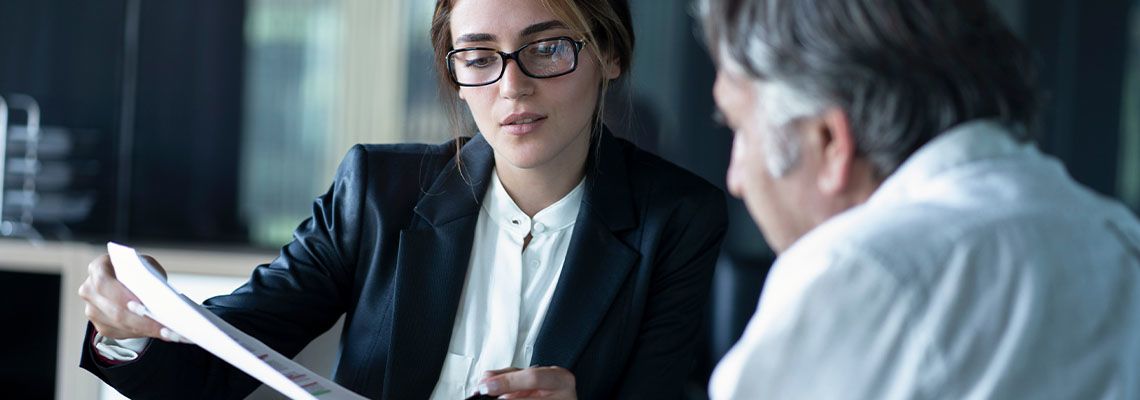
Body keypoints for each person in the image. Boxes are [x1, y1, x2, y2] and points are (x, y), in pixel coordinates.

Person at [78, 0, 728, 398]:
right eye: (478, 56)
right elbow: (214, 368)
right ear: (455, 72)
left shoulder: (676, 218)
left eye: (548, 48)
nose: (513, 88)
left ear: (608, 52)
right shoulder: (377, 194)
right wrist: (124, 324)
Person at [697, 0, 1140, 398]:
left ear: (830, 141)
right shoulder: (1119, 240)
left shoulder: (858, 270)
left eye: (739, 128)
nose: (735, 178)